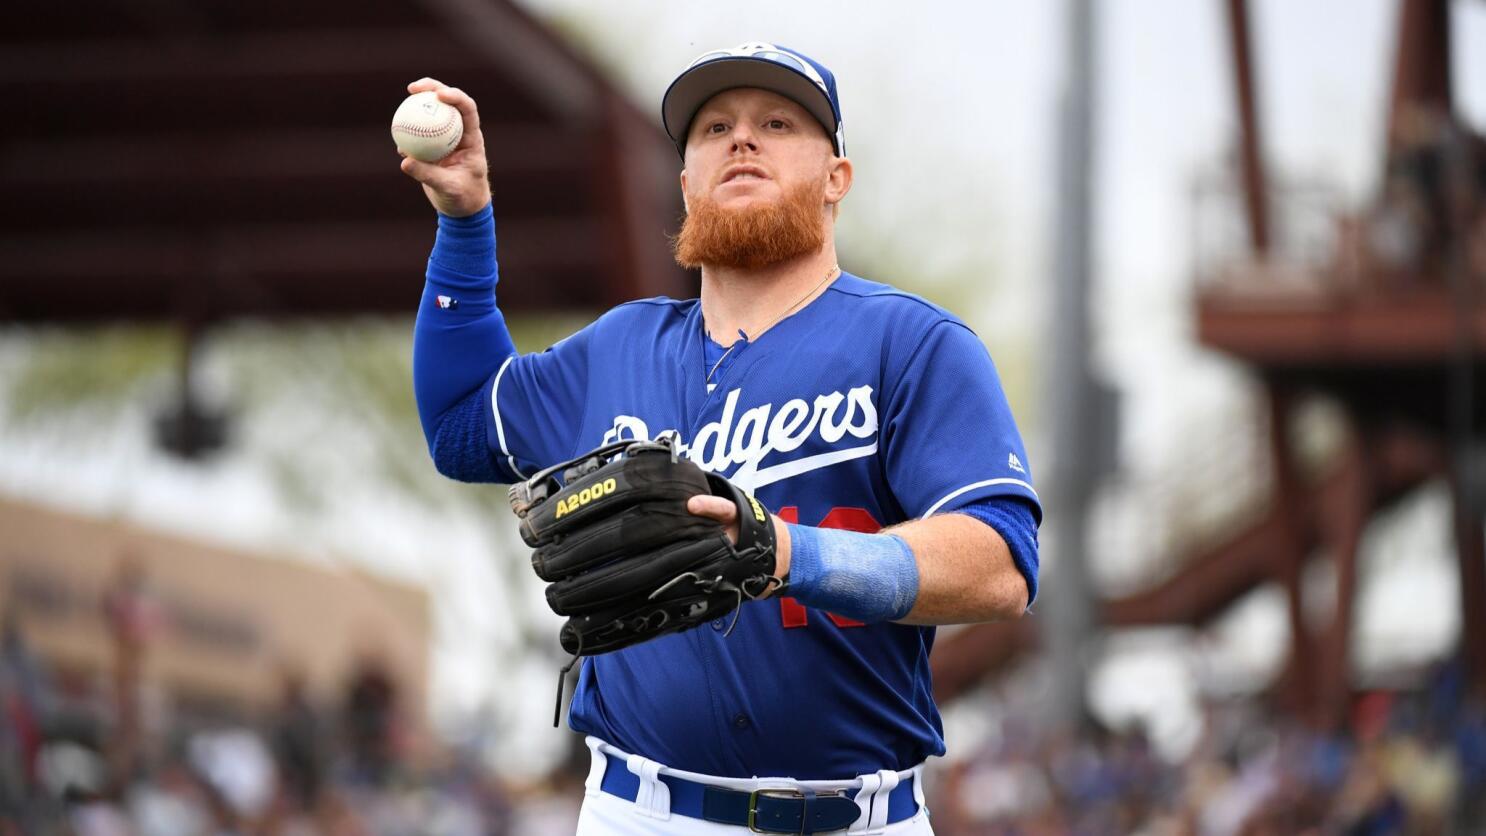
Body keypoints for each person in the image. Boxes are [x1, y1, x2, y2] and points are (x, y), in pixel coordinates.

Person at [401, 42, 1041, 835]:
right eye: (713, 129)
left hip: (857, 818)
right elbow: (462, 422)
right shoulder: (618, 348)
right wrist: (466, 224)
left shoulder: (911, 344)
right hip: (638, 811)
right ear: (686, 183)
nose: (741, 139)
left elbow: (1001, 564)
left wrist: (784, 554)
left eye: (776, 122)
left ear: (836, 177)